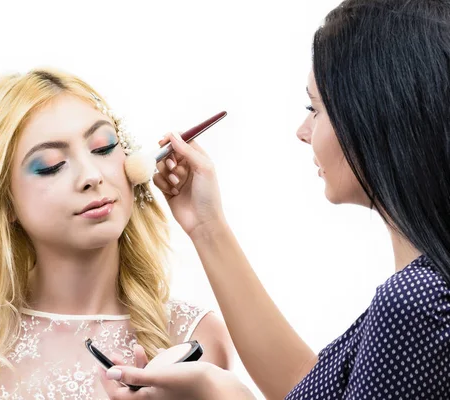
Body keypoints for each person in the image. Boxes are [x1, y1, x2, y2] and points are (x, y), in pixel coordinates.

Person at [102, 1, 450, 398]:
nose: (303, 132)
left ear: (375, 114)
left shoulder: (417, 301)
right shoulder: (423, 293)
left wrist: (224, 394)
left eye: (314, 109)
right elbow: (310, 384)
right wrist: (206, 226)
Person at [0, 68, 234, 400]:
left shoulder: (192, 336)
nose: (91, 175)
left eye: (103, 147)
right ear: (7, 204)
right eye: (50, 165)